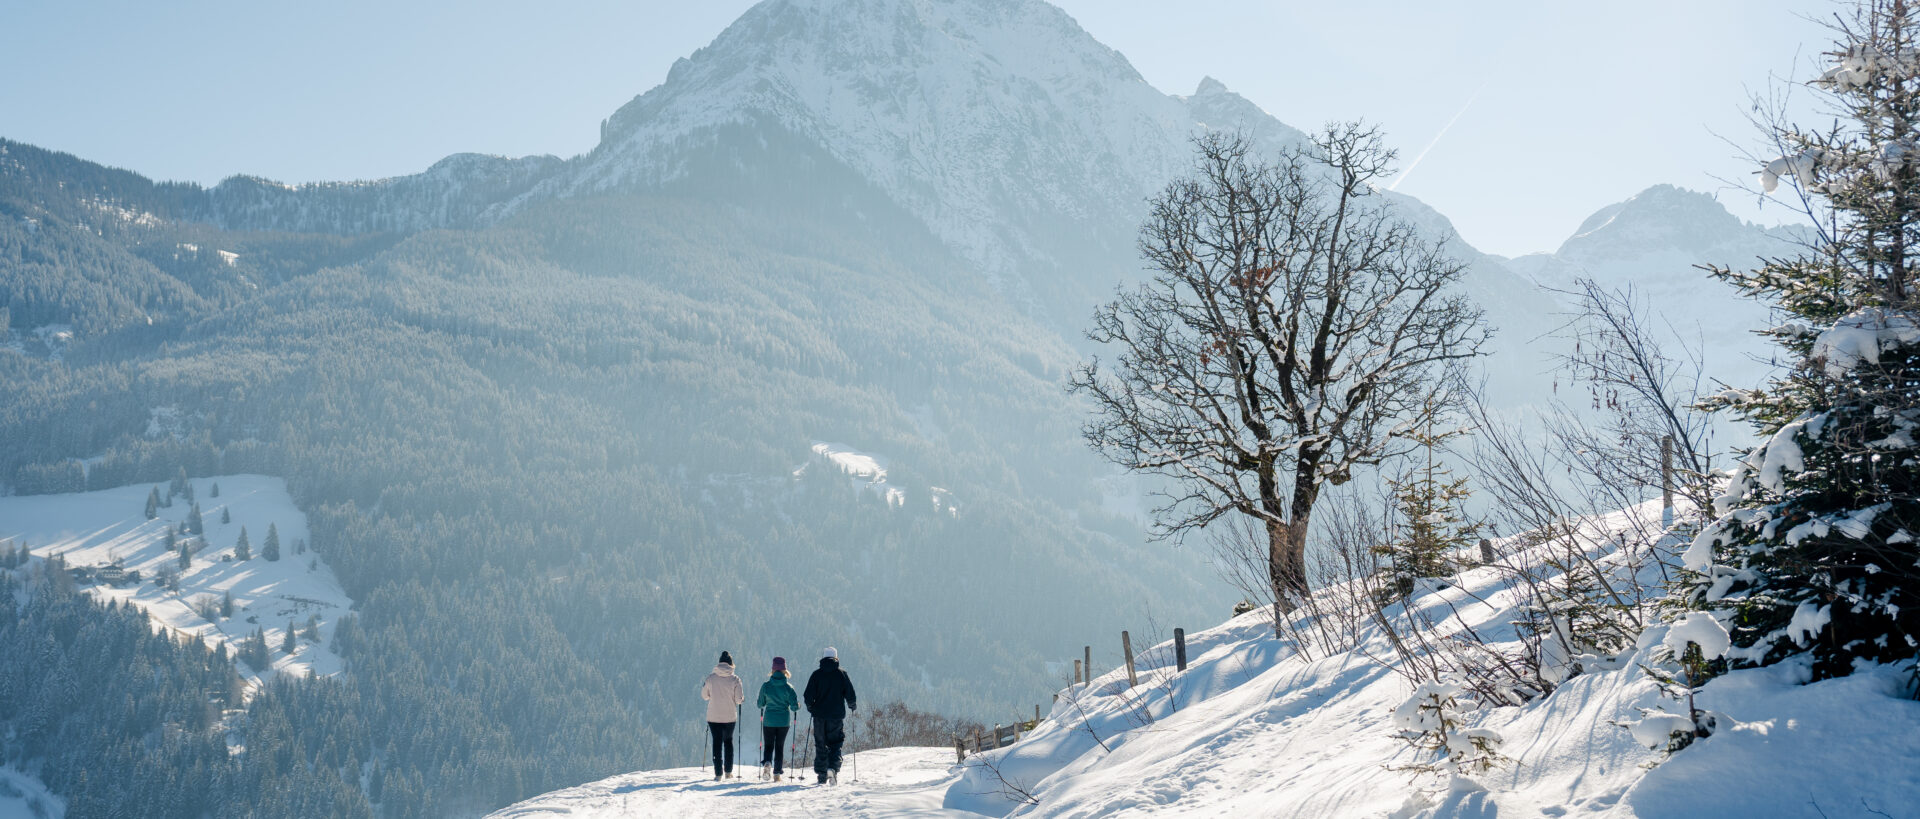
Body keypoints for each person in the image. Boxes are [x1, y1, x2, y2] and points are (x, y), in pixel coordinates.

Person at [802, 646, 857, 785]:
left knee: (820, 745)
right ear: (836, 658)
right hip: (836, 716)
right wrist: (852, 705)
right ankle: (832, 769)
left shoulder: (816, 675)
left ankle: (821, 775)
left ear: (823, 658)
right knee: (835, 744)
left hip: (819, 716)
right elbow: (850, 693)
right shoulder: (842, 674)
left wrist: (811, 708)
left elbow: (808, 696)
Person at [701, 651, 745, 780]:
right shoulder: (735, 679)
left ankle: (718, 773)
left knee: (716, 743)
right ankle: (728, 771)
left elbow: (704, 696)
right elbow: (738, 699)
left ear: (719, 663)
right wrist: (742, 699)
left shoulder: (710, 678)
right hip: (730, 717)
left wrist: (712, 696)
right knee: (728, 742)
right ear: (731, 664)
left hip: (713, 717)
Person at [757, 656, 800, 781]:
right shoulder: (789, 687)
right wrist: (798, 706)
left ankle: (767, 762)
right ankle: (776, 774)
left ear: (773, 670)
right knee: (779, 746)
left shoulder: (766, 686)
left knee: (768, 745)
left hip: (769, 720)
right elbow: (794, 707)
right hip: (783, 722)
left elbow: (760, 704)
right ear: (785, 671)